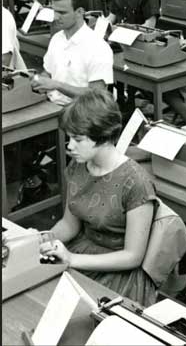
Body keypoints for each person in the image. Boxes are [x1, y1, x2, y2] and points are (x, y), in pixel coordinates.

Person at [39, 89, 158, 306]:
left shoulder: (136, 182)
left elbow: (132, 256)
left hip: (118, 270)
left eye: (77, 139)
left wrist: (72, 259)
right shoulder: (78, 165)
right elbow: (69, 224)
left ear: (102, 136)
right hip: (82, 250)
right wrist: (42, 240)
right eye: (69, 138)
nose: (69, 146)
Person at [31, 0, 113, 106]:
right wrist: (39, 81)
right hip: (51, 105)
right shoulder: (57, 39)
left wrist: (57, 85)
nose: (56, 17)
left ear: (79, 12)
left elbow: (97, 95)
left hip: (81, 112)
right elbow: (47, 72)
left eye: (62, 13)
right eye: (54, 11)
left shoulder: (98, 47)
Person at [107, 0, 161, 110]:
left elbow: (149, 25)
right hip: (120, 43)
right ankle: (115, 105)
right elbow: (112, 16)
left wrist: (125, 35)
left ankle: (128, 106)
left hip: (139, 47)